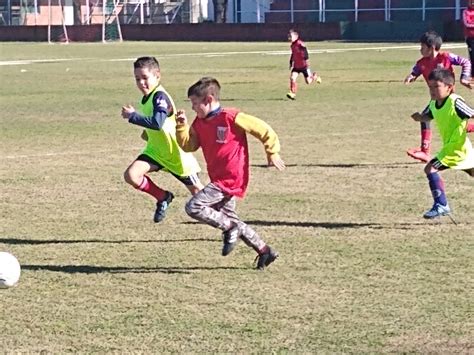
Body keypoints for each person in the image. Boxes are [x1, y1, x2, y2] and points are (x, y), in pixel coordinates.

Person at [175, 77, 286, 270]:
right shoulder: (199, 122)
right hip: (218, 177)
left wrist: (272, 151)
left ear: (208, 100)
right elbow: (189, 145)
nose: (193, 108)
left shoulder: (231, 116)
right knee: (231, 218)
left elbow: (263, 129)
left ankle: (229, 228)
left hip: (230, 177)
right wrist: (181, 126)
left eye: (195, 104)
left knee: (193, 207)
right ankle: (264, 250)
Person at [121, 56, 204, 223]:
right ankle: (163, 197)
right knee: (131, 175)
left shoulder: (160, 96)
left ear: (157, 76)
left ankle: (228, 220)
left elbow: (157, 123)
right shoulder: (147, 97)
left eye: (145, 78)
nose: (141, 83)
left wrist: (133, 116)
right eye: (137, 79)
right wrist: (147, 134)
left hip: (176, 154)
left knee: (200, 194)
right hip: (157, 151)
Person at [410, 68, 474, 219]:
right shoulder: (433, 104)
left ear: (449, 87)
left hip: (456, 149)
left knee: (430, 169)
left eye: (436, 87)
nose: (432, 90)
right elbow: (428, 116)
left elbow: (471, 113)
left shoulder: (455, 101)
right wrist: (419, 118)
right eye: (430, 87)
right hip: (456, 148)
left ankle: (441, 204)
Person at [404, 31, 473, 163]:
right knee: (446, 122)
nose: (420, 49)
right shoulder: (422, 62)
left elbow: (465, 62)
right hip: (436, 99)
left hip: (449, 98)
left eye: (422, 47)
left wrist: (464, 78)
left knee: (445, 122)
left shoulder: (446, 57)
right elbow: (416, 71)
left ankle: (425, 151)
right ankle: (424, 151)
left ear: (432, 47)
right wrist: (411, 77)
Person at [286, 28, 321, 100]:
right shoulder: (292, 45)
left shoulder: (300, 43)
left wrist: (306, 59)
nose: (289, 38)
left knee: (308, 82)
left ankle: (314, 76)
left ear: (296, 37)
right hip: (296, 66)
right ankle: (292, 93)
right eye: (289, 37)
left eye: (291, 37)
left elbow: (305, 50)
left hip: (304, 66)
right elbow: (293, 54)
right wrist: (290, 62)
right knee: (292, 78)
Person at [463, 0, 474, 77]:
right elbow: (467, 23)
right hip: (470, 38)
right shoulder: (466, 12)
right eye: (471, 2)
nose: (473, 3)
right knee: (472, 56)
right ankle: (472, 74)